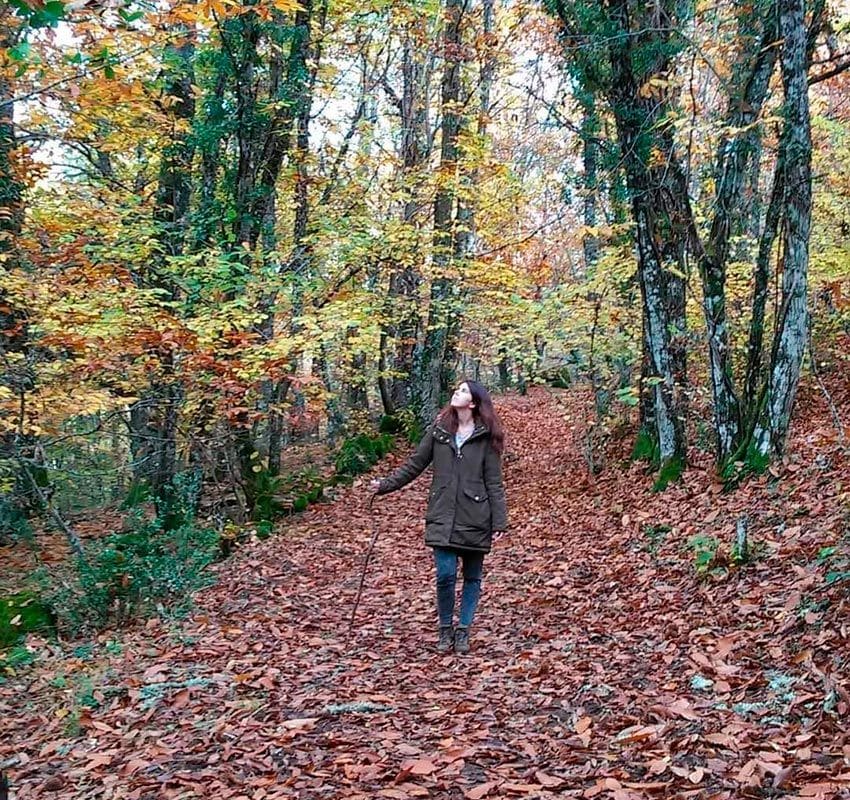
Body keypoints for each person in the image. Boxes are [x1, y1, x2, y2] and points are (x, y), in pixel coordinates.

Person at [369, 380, 508, 654]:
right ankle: (445, 629)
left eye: (464, 390)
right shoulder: (440, 430)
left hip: (476, 515)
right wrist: (385, 485)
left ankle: (463, 630)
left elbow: (494, 482)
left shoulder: (487, 436)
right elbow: (415, 464)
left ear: (474, 402)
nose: (456, 392)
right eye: (456, 388)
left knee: (472, 577)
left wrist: (500, 520)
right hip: (442, 512)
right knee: (445, 575)